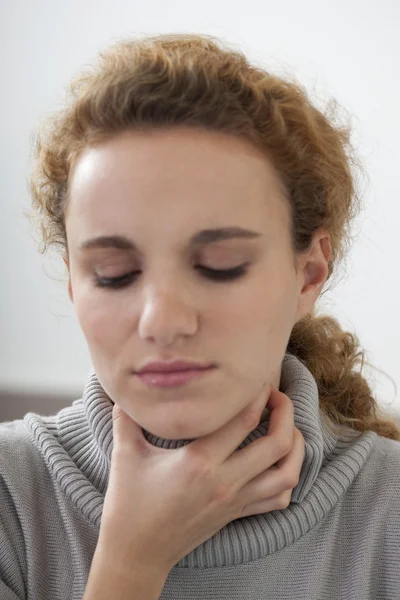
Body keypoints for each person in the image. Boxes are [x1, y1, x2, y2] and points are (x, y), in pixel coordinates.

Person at [1, 32, 399, 600]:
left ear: (308, 273)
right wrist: (132, 562)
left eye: (220, 265)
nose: (162, 321)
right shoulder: (10, 498)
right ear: (71, 280)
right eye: (114, 272)